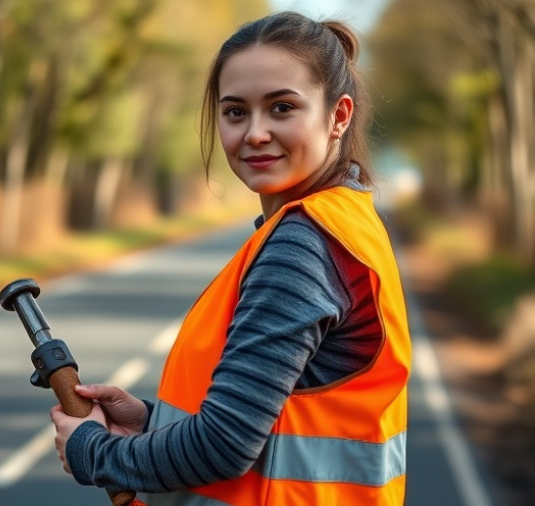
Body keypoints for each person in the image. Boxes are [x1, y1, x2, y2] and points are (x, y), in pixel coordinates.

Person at [50, 10, 411, 506]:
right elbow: (273, 420)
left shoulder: (301, 247)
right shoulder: (346, 221)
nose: (255, 133)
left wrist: (95, 452)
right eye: (236, 111)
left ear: (338, 116)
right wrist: (153, 422)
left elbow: (224, 446)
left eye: (282, 108)